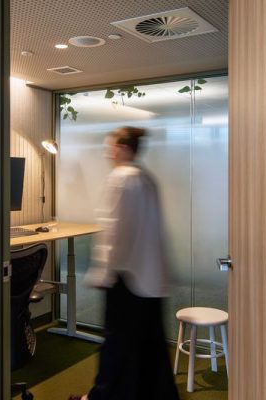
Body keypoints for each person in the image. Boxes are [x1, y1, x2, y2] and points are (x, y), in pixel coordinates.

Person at [69, 127, 180, 400]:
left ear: (123, 148)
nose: (108, 152)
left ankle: (100, 397)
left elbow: (113, 233)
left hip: (127, 277)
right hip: (151, 277)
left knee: (117, 344)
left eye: (110, 147)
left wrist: (102, 272)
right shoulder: (146, 178)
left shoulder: (119, 179)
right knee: (150, 345)